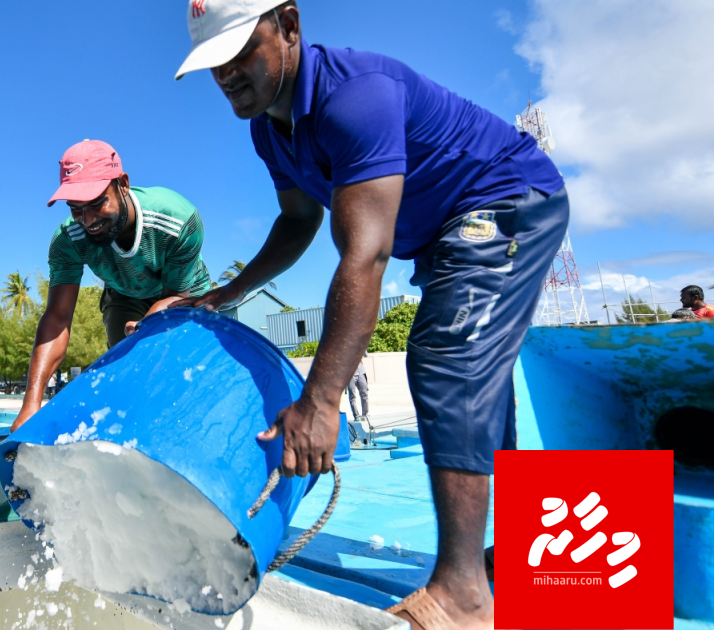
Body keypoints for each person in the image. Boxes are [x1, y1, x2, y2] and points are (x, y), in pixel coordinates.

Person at [172, 2, 568, 628]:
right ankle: (517, 557)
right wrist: (223, 294)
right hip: (444, 234)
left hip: (509, 196)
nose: (226, 75)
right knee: (477, 381)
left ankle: (462, 595)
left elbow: (365, 254)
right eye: (212, 63)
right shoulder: (268, 130)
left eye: (240, 51)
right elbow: (299, 220)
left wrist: (323, 401)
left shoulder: (355, 99)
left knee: (446, 355)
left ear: (290, 27)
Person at [11, 139, 213, 430]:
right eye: (75, 209)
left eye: (96, 203)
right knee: (129, 372)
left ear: (123, 184)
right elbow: (57, 318)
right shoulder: (67, 240)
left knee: (178, 369)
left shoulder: (178, 219)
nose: (88, 220)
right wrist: (31, 405)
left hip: (185, 295)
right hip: (124, 293)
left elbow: (175, 297)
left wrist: (148, 323)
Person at [347, 354, 369, 425]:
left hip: (361, 371)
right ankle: (356, 415)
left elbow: (366, 355)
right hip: (350, 373)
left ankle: (365, 415)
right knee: (352, 396)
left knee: (364, 394)